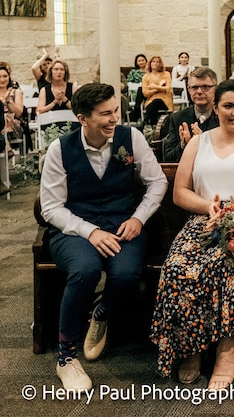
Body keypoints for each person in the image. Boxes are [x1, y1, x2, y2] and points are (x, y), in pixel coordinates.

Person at [150, 79, 234, 389]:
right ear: (216, 107)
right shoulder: (199, 141)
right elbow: (180, 192)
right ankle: (190, 347)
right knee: (179, 268)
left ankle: (228, 349)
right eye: (229, 106)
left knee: (228, 264)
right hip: (203, 220)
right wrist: (209, 207)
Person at [41, 83, 168, 391]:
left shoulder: (131, 138)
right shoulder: (60, 149)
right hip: (74, 227)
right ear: (82, 118)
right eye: (105, 114)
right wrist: (90, 231)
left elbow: (157, 182)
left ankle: (101, 312)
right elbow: (51, 207)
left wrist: (139, 217)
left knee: (125, 275)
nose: (114, 119)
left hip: (123, 222)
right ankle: (66, 359)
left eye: (115, 111)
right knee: (84, 271)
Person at [161, 67, 219, 163]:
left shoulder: (223, 118)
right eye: (194, 87)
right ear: (189, 89)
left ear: (215, 89)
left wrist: (204, 143)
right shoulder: (177, 118)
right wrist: (184, 146)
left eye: (205, 87)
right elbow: (168, 159)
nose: (199, 92)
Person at [140, 56, 174, 126]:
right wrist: (159, 87)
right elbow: (145, 93)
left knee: (157, 101)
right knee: (154, 104)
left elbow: (168, 88)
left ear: (160, 64)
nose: (155, 63)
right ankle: (153, 127)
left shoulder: (166, 74)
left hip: (164, 101)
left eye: (157, 62)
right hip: (150, 102)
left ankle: (145, 123)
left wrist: (154, 87)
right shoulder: (146, 77)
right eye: (153, 61)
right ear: (150, 63)